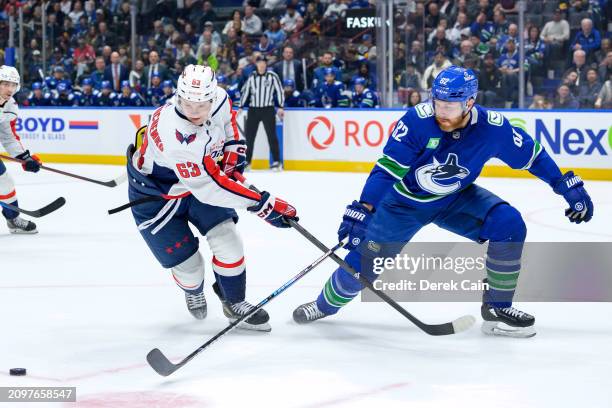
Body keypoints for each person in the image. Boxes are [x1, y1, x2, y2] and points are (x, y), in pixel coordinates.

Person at [292, 66, 594, 339]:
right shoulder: (417, 122)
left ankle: (497, 308)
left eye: (450, 105)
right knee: (363, 266)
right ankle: (325, 305)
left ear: (470, 103)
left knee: (509, 224)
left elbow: (533, 156)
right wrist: (364, 209)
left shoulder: (493, 127)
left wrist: (563, 185)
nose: (441, 111)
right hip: (401, 205)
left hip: (453, 199)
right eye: (438, 102)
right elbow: (386, 171)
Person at [127, 65, 297, 330]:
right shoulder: (176, 137)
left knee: (228, 240)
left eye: (201, 105)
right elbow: (211, 188)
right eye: (187, 104)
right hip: (156, 198)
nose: (194, 112)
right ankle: (194, 290)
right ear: (178, 97)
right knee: (191, 269)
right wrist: (262, 204)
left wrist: (233, 148)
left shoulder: (218, 97)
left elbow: (228, 123)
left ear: (211, 96)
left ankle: (233, 302)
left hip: (199, 181)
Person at [0, 66, 42, 234]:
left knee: (5, 182)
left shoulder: (10, 105)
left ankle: (13, 219)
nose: (10, 89)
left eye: (13, 85)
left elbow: (8, 137)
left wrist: (24, 158)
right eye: (5, 84)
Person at [238, 55, 285, 171]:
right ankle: (247, 162)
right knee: (249, 137)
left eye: (264, 62)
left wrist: (280, 106)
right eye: (259, 62)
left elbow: (279, 91)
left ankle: (277, 162)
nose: (262, 64)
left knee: (272, 136)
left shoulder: (272, 76)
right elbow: (246, 92)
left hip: (268, 109)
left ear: (266, 64)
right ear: (256, 64)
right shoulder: (252, 76)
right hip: (253, 110)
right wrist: (240, 106)